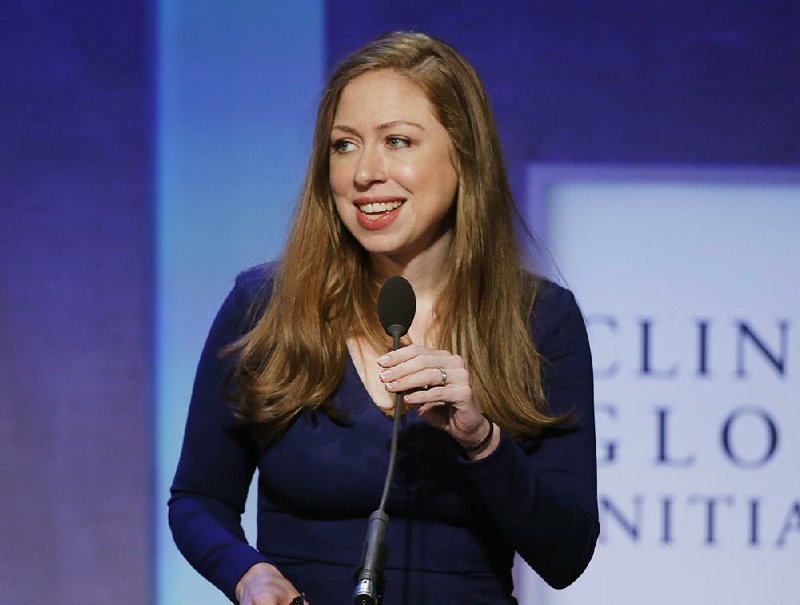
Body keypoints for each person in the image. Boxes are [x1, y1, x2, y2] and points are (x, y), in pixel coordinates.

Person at [169, 31, 598, 605]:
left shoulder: (540, 320)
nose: (364, 172)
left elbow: (566, 555)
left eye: (397, 141)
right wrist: (246, 572)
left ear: (463, 153)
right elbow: (198, 499)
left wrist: (482, 442)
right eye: (344, 145)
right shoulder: (264, 305)